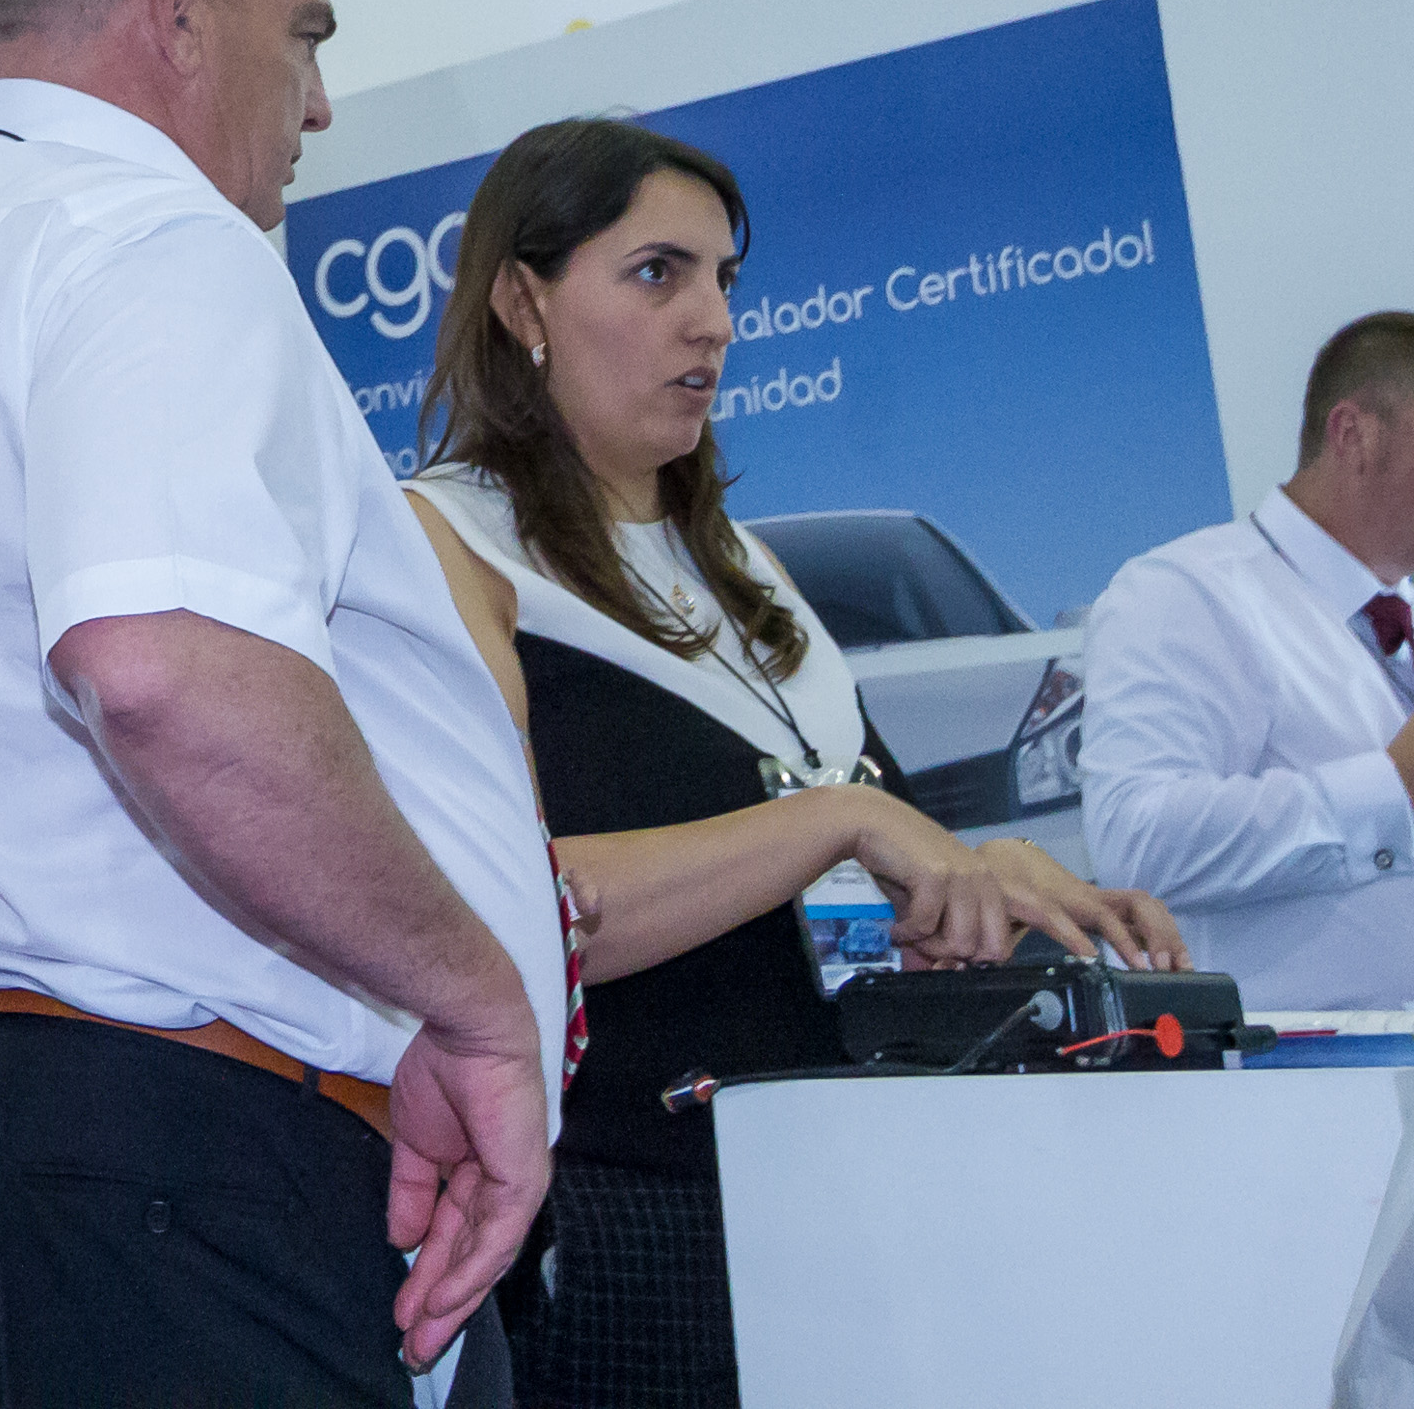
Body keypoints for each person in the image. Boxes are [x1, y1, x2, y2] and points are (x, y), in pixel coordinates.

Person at [0, 0, 561, 1409]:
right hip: (176, 1166)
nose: (324, 103)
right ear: (182, 9)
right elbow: (157, 672)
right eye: (310, 38)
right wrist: (476, 997)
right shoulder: (153, 239)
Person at [395, 118, 1180, 1409]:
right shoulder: (444, 545)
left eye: (724, 279)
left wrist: (984, 880)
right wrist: (835, 819)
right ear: (522, 298)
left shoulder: (750, 574)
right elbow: (483, 912)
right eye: (658, 273)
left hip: (842, 1196)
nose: (711, 320)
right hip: (620, 1225)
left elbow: (845, 856)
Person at [1078, 309, 1414, 1006]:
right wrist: (1395, 792)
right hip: (1301, 1093)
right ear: (1354, 434)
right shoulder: (1188, 595)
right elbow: (1136, 844)